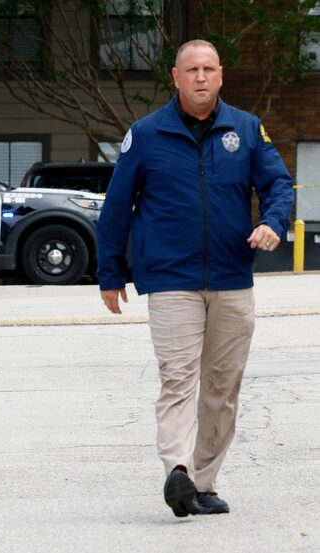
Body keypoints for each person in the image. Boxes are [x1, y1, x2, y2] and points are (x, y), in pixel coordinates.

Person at [96, 39, 294, 518]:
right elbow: (117, 205)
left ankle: (202, 483)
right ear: (176, 76)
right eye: (192, 69)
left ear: (220, 76)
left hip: (232, 277)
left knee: (222, 387)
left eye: (209, 68)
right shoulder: (145, 134)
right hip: (170, 280)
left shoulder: (246, 130)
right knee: (178, 378)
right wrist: (109, 271)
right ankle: (178, 470)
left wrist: (272, 222)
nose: (201, 76)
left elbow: (278, 185)